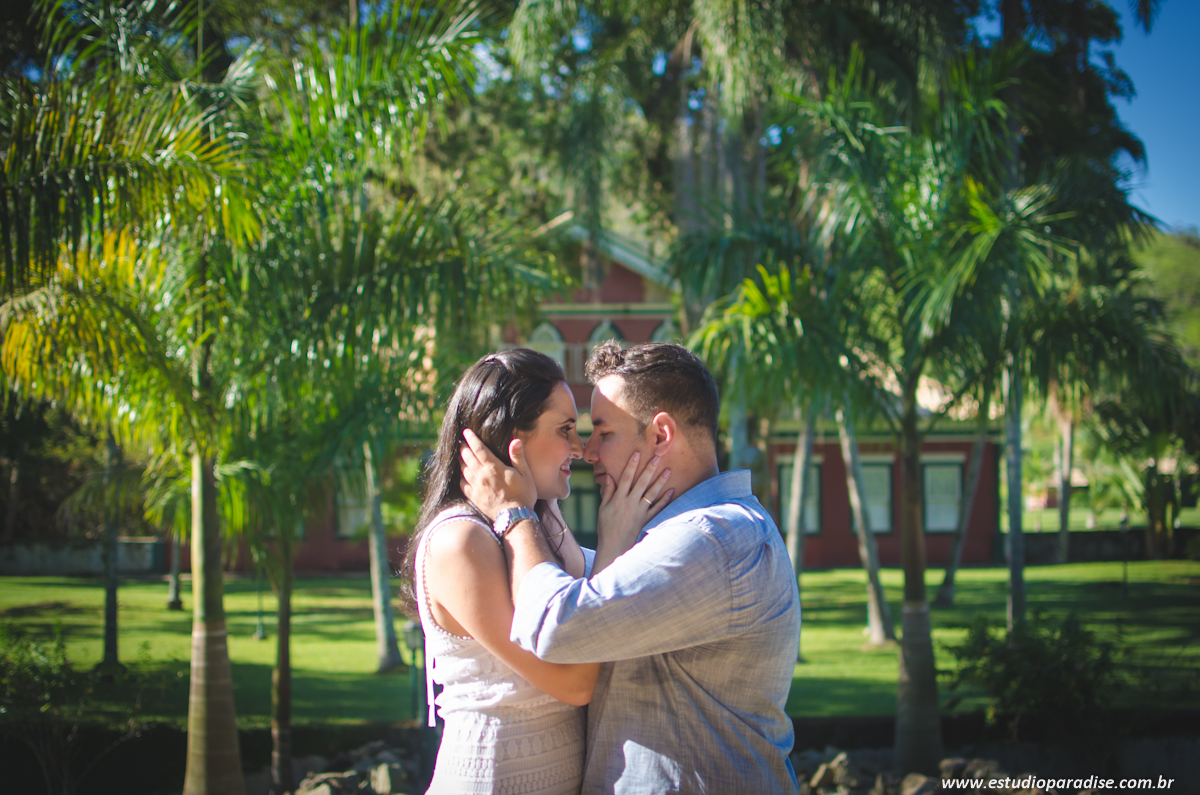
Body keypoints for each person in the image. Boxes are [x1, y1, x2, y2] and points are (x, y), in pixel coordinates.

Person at [460, 341, 802, 795]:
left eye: (605, 433)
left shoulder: (713, 538)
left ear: (660, 435)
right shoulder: (684, 535)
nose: (589, 452)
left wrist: (513, 514)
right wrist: (613, 541)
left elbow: (557, 627)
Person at [400, 348, 672, 795]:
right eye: (565, 430)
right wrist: (615, 541)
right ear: (512, 439)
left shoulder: (542, 522)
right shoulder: (460, 542)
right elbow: (574, 681)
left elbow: (598, 600)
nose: (581, 450)